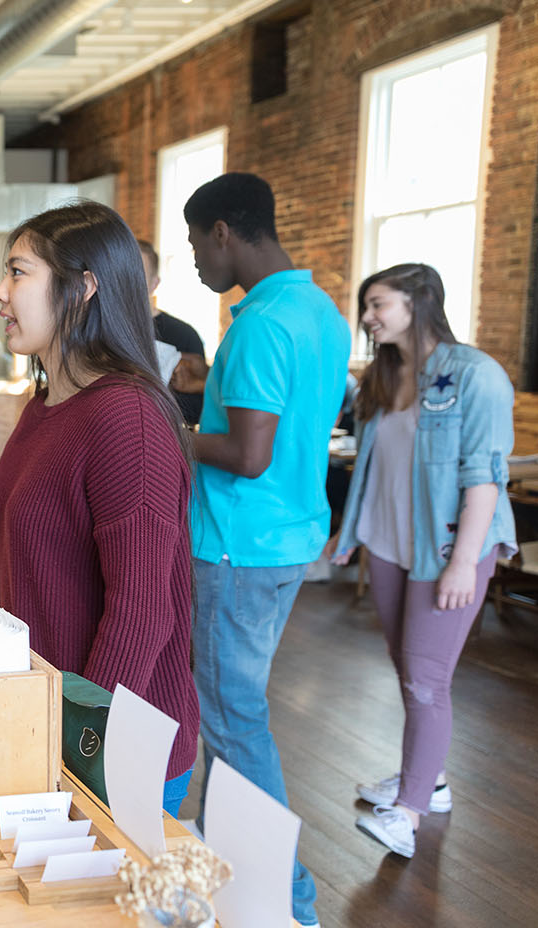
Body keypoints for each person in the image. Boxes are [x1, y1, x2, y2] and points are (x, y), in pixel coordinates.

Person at [0, 201, 198, 816]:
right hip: (45, 725)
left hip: (108, 752)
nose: (0, 292)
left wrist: (84, 750)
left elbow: (142, 608)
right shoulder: (46, 403)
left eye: (18, 273)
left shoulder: (124, 418)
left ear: (83, 287)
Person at [184, 172, 349, 928]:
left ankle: (289, 896)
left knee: (232, 720)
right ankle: (230, 866)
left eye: (195, 242)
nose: (194, 260)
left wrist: (175, 431)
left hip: (235, 548)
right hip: (286, 542)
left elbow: (249, 453)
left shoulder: (257, 323)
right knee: (233, 712)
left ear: (224, 232)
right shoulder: (319, 310)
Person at [330, 264, 515, 858]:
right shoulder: (382, 378)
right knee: (405, 665)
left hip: (446, 553)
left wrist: (465, 563)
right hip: (389, 544)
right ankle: (427, 780)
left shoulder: (475, 375)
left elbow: (483, 477)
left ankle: (407, 813)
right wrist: (351, 530)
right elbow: (373, 464)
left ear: (420, 300)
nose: (367, 317)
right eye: (367, 307)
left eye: (378, 304)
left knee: (426, 679)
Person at [138, 239, 207, 425]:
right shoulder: (99, 330)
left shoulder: (184, 335)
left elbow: (195, 410)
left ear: (154, 283)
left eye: (138, 278)